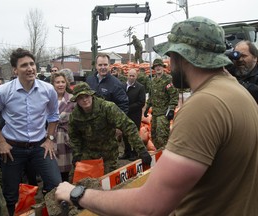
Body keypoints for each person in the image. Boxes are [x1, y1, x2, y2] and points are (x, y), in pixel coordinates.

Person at [55, 16, 258, 215]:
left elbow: (148, 206)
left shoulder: (204, 106)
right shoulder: (237, 92)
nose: (170, 63)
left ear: (182, 57)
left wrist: (77, 194)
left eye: (171, 56)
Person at [0, 48, 62, 216]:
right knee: (10, 194)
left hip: (40, 147)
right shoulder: (3, 91)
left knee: (56, 185)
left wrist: (50, 138)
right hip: (12, 149)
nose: (30, 68)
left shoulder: (48, 90)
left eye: (32, 64)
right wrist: (1, 141)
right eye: (24, 65)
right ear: (15, 70)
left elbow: (54, 115)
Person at [68, 82, 151, 178]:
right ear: (76, 100)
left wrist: (141, 150)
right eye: (80, 98)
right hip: (88, 152)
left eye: (86, 96)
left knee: (108, 181)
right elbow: (74, 136)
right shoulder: (75, 115)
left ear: (91, 95)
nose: (85, 100)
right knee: (78, 180)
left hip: (108, 152)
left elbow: (128, 126)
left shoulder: (107, 107)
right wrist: (77, 154)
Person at [144, 58, 179, 149]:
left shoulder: (168, 79)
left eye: (159, 66)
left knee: (162, 136)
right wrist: (147, 108)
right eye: (156, 66)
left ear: (163, 67)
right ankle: (159, 154)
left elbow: (174, 95)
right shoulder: (153, 81)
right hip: (155, 113)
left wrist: (171, 109)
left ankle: (165, 156)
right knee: (154, 136)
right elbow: (151, 97)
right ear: (154, 68)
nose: (158, 68)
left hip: (163, 114)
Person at [51, 71, 76, 182]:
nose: (60, 84)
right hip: (51, 136)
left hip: (66, 137)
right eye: (57, 82)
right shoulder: (47, 99)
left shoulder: (72, 99)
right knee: (52, 167)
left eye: (63, 82)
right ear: (53, 84)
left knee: (66, 169)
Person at [119, 69, 146, 160]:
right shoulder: (122, 86)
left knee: (134, 134)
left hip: (135, 115)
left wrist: (128, 107)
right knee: (124, 134)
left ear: (136, 76)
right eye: (130, 75)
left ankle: (134, 153)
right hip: (124, 114)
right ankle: (127, 152)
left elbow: (141, 102)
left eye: (133, 76)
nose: (131, 77)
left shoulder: (140, 87)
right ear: (127, 75)